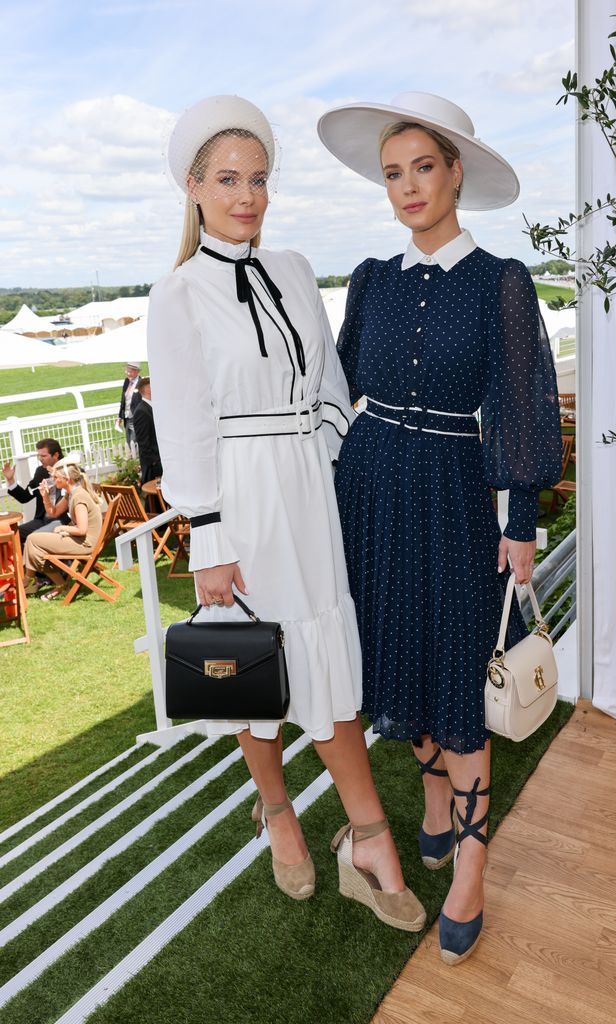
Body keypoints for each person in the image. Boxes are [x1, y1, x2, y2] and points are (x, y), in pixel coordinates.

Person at [147, 94, 425, 930]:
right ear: (193, 188)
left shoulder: (297, 270)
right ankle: (279, 816)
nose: (247, 196)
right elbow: (185, 420)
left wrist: (349, 479)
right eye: (228, 179)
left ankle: (366, 835)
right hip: (243, 497)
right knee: (251, 664)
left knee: (329, 660)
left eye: (258, 179)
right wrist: (207, 533)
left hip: (311, 487)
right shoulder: (178, 293)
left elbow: (332, 391)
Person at [317, 92, 563, 963]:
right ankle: (426, 806)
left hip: (456, 495)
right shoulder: (371, 280)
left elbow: (520, 404)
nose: (409, 186)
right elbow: (332, 388)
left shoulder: (501, 280)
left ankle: (469, 866)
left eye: (424, 166)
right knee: (400, 658)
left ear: (456, 172)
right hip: (371, 490)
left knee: (456, 670)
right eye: (393, 173)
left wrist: (522, 517)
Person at [24, 459, 103, 601]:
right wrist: (45, 496)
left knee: (32, 540)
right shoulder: (71, 493)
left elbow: (82, 529)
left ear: (66, 479)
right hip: (80, 539)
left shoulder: (78, 496)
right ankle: (42, 582)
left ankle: (32, 581)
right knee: (34, 544)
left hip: (85, 543)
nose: (52, 480)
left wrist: (62, 527)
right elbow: (53, 513)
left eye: (55, 477)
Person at [2, 438, 68, 545]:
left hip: (62, 521)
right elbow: (25, 497)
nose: (40, 459)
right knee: (10, 534)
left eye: (43, 456)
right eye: (39, 456)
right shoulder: (40, 471)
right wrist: (10, 480)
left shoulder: (69, 471)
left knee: (32, 539)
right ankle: (18, 561)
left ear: (55, 455)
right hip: (41, 520)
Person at [132, 377, 163, 484]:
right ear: (148, 390)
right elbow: (143, 442)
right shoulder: (141, 411)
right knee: (154, 497)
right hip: (153, 466)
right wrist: (155, 462)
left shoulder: (152, 407)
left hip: (160, 462)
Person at [116, 362, 142, 446]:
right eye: (127, 371)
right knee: (128, 442)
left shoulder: (141, 383)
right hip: (127, 417)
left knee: (134, 443)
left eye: (130, 371)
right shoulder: (126, 381)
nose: (128, 373)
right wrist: (119, 417)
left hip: (137, 418)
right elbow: (123, 400)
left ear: (137, 372)